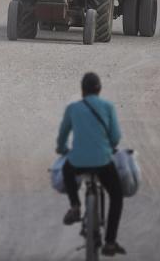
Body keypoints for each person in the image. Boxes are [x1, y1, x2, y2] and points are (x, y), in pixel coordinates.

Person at [57, 72, 126, 256]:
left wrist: (62, 149)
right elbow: (116, 136)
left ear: (82, 91)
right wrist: (109, 147)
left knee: (66, 168)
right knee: (117, 196)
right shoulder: (108, 107)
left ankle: (75, 206)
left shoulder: (73, 108)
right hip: (103, 162)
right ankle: (110, 242)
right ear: (99, 89)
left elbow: (63, 136)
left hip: (77, 161)